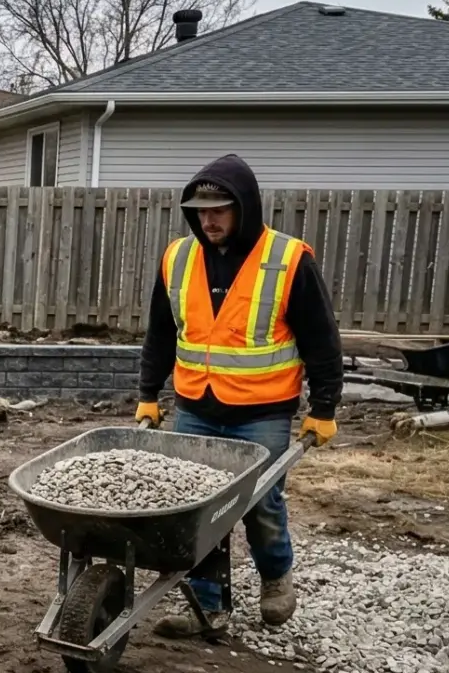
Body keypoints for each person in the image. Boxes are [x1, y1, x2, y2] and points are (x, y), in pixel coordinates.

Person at [135, 154, 342, 634]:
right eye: (200, 211)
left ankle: (276, 578)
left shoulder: (289, 260)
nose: (208, 220)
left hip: (262, 410)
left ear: (244, 207)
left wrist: (324, 406)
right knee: (198, 508)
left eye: (219, 210)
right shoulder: (178, 258)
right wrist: (149, 392)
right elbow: (161, 333)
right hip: (196, 406)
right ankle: (208, 604)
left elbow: (322, 340)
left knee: (261, 501)